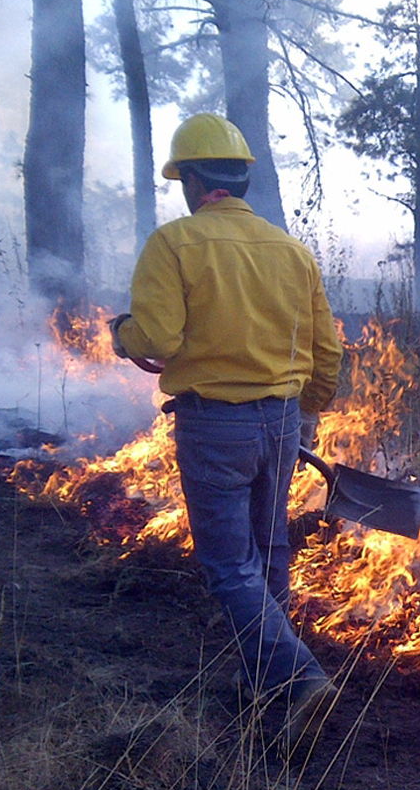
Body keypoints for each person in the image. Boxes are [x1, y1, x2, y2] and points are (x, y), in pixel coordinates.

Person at [110, 112, 344, 753]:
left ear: (190, 180)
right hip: (281, 420)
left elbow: (155, 340)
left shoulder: (174, 244)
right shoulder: (292, 252)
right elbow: (327, 351)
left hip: (216, 424)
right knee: (268, 551)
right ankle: (264, 680)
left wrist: (122, 333)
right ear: (241, 179)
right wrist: (310, 415)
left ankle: (296, 676)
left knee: (226, 563)